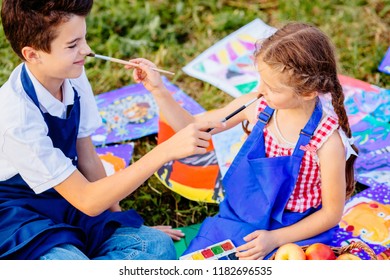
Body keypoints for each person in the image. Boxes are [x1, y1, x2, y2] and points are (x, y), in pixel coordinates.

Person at [0, 0, 223, 260]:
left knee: (155, 246)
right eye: (72, 45)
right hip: (19, 213)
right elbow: (88, 200)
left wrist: (121, 223)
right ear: (32, 54)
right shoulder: (16, 118)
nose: (87, 50)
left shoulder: (72, 74)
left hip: (67, 199)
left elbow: (87, 158)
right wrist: (164, 151)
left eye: (83, 38)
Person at [128, 22, 359, 260]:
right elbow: (188, 127)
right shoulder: (257, 107)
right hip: (242, 216)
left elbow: (331, 213)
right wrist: (158, 90)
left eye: (272, 88)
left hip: (297, 230)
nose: (260, 90)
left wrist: (275, 239)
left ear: (309, 92)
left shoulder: (327, 142)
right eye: (261, 80)